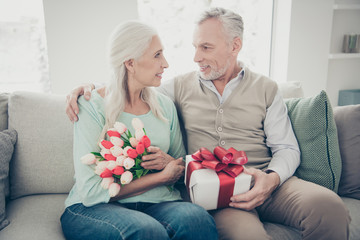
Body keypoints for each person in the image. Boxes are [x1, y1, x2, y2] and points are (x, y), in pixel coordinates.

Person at [65, 8, 350, 240]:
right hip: (220, 189)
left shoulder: (266, 88)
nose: (195, 57)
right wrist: (90, 88)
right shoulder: (176, 89)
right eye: (195, 46)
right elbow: (128, 93)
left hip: (268, 178)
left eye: (206, 47)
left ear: (234, 46)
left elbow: (287, 148)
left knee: (329, 208)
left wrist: (271, 179)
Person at [60, 20, 218, 240]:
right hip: (94, 207)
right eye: (157, 55)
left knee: (197, 220)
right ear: (130, 63)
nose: (165, 64)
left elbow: (181, 165)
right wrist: (159, 177)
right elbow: (91, 191)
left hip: (157, 204)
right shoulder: (90, 106)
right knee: (146, 231)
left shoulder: (164, 106)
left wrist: (169, 162)